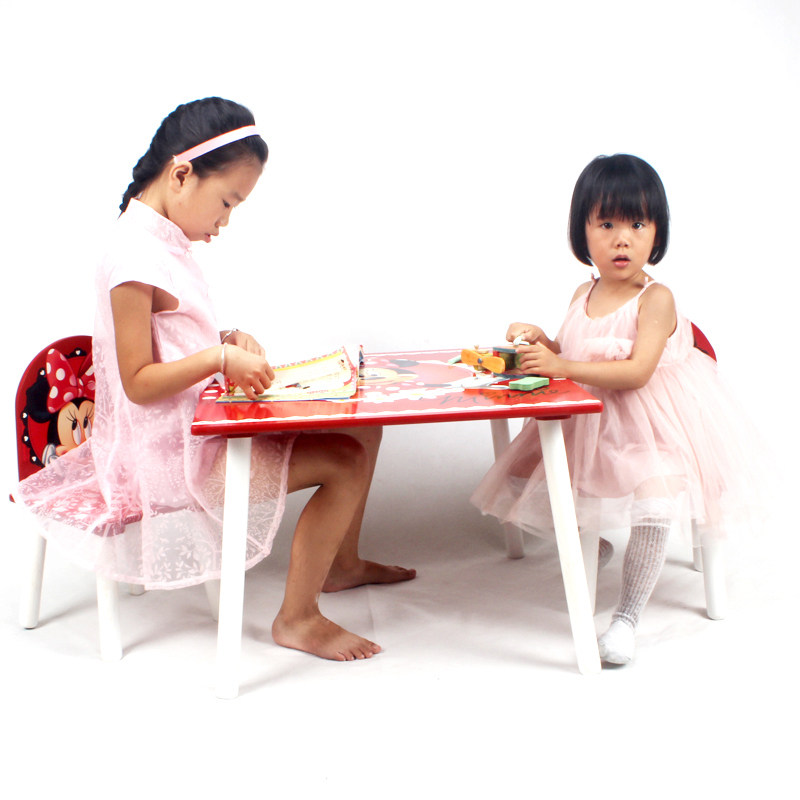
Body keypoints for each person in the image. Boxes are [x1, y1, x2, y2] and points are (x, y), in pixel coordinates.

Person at [14, 97, 414, 662]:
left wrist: (226, 340)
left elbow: (174, 336)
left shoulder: (162, 242)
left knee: (363, 427)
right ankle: (297, 619)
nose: (224, 223)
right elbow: (138, 381)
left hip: (201, 427)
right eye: (227, 202)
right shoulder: (132, 256)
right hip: (172, 457)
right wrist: (218, 360)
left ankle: (341, 564)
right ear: (182, 175)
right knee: (345, 460)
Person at [471, 153, 764, 665]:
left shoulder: (656, 299)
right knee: (524, 479)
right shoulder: (583, 292)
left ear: (657, 232)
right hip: (592, 423)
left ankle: (626, 617)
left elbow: (636, 372)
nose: (621, 239)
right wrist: (543, 341)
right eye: (605, 224)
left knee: (655, 500)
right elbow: (571, 351)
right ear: (581, 232)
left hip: (654, 426)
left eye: (637, 224)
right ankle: (597, 546)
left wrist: (561, 363)